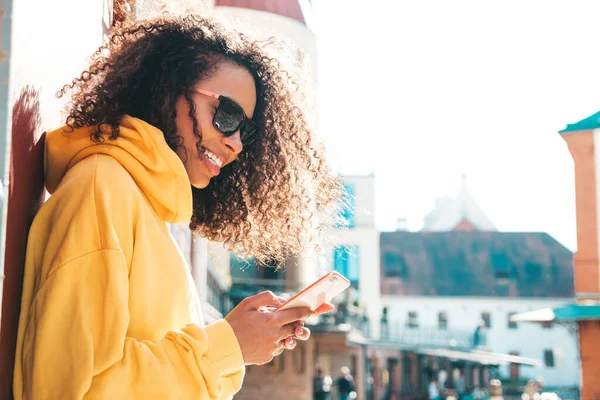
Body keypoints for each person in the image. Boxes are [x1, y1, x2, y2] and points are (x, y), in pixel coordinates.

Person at [13, 12, 341, 400]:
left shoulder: (149, 209)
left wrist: (232, 343)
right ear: (167, 91)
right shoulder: (104, 189)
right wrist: (225, 346)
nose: (235, 143)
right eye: (227, 115)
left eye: (246, 132)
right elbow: (66, 390)